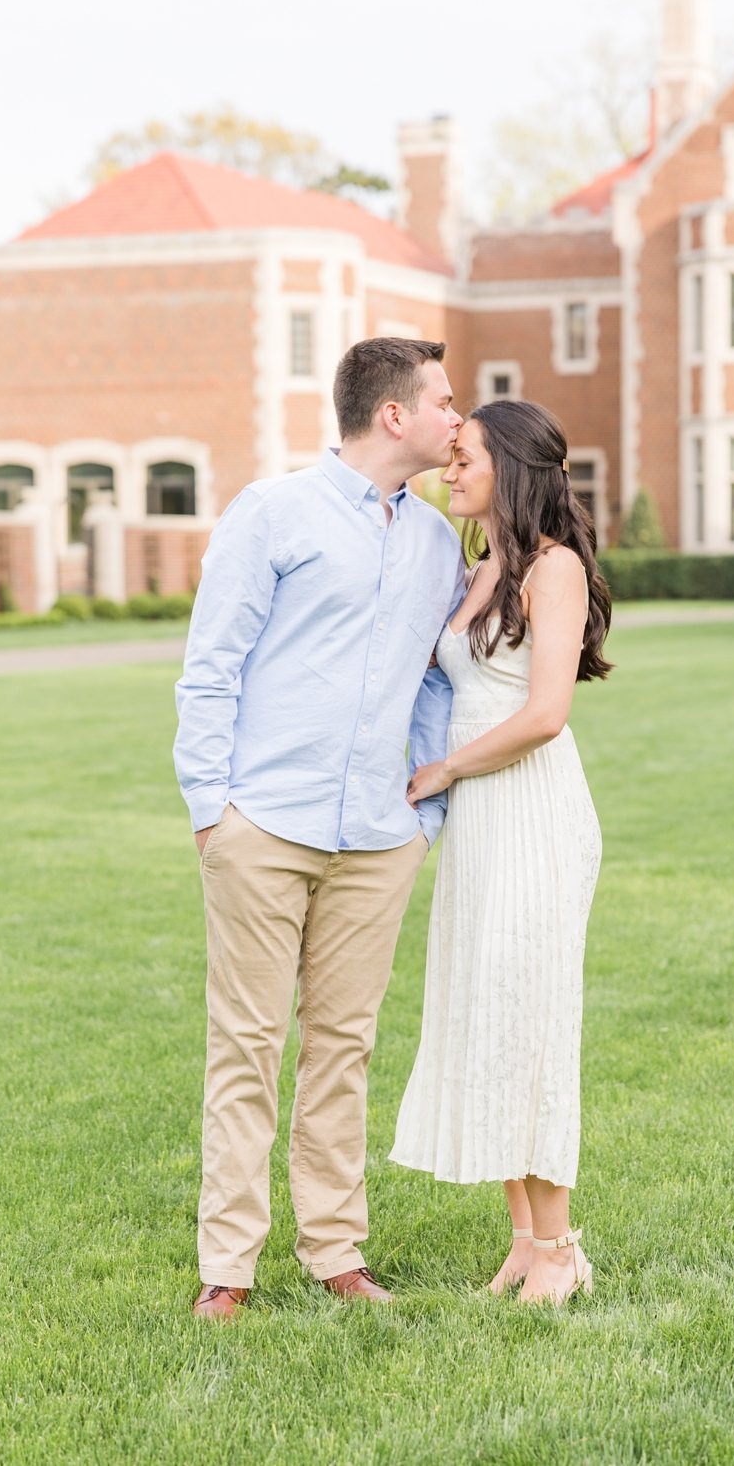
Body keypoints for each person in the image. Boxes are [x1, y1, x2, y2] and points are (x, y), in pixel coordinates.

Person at [174, 337, 466, 1319]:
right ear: (394, 415)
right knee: (246, 1047)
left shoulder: (435, 543)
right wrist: (213, 809)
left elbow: (436, 684)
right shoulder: (273, 513)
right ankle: (229, 1267)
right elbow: (211, 664)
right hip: (264, 823)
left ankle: (336, 1250)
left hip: (379, 838)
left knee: (344, 1047)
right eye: (444, 401)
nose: (455, 418)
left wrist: (419, 814)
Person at [390, 398, 611, 1306]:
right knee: (488, 1011)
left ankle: (561, 1250)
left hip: (533, 810)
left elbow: (545, 713)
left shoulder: (552, 569)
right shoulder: (479, 565)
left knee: (530, 1019)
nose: (452, 466)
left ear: (511, 466)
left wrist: (444, 770)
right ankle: (524, 1242)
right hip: (482, 821)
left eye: (467, 455)